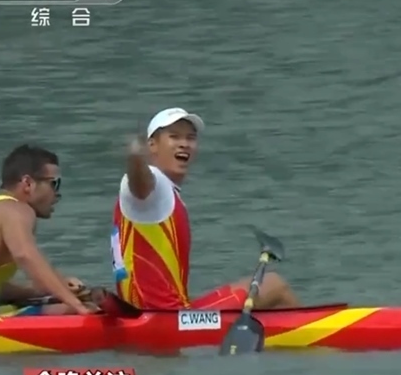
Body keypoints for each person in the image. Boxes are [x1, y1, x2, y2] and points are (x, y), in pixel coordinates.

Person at [111, 107, 301, 310]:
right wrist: (135, 158)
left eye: (190, 138)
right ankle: (309, 327)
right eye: (174, 137)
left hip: (149, 312)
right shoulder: (152, 188)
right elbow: (139, 185)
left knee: (263, 292)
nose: (184, 143)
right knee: (275, 286)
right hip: (164, 318)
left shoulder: (163, 195)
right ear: (152, 145)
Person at [0, 145, 95, 316]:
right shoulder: (17, 209)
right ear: (28, 183)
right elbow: (25, 254)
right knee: (74, 309)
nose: (57, 195)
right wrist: (77, 305)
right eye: (54, 184)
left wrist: (39, 291)